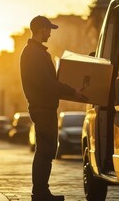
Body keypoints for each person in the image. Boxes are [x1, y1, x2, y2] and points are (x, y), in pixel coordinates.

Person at [20, 15, 86, 201]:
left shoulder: (36, 52)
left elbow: (49, 83)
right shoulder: (33, 53)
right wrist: (72, 91)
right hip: (42, 109)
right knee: (44, 151)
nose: (50, 34)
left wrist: (71, 90)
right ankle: (40, 194)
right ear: (42, 30)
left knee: (46, 151)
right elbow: (47, 83)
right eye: (49, 30)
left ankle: (42, 192)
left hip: (45, 108)